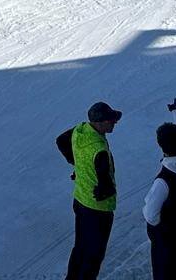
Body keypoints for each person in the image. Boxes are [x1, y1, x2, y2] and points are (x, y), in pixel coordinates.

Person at [56, 101, 121, 280]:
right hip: (98, 211)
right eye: (110, 120)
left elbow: (61, 141)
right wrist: (105, 191)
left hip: (80, 201)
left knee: (80, 248)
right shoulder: (99, 150)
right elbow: (106, 187)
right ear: (100, 123)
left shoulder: (81, 130)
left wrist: (77, 164)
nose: (114, 122)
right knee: (93, 257)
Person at [143, 100, 176, 280]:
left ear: (161, 146)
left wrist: (159, 229)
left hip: (165, 239)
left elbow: (150, 214)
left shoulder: (163, 181)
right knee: (175, 270)